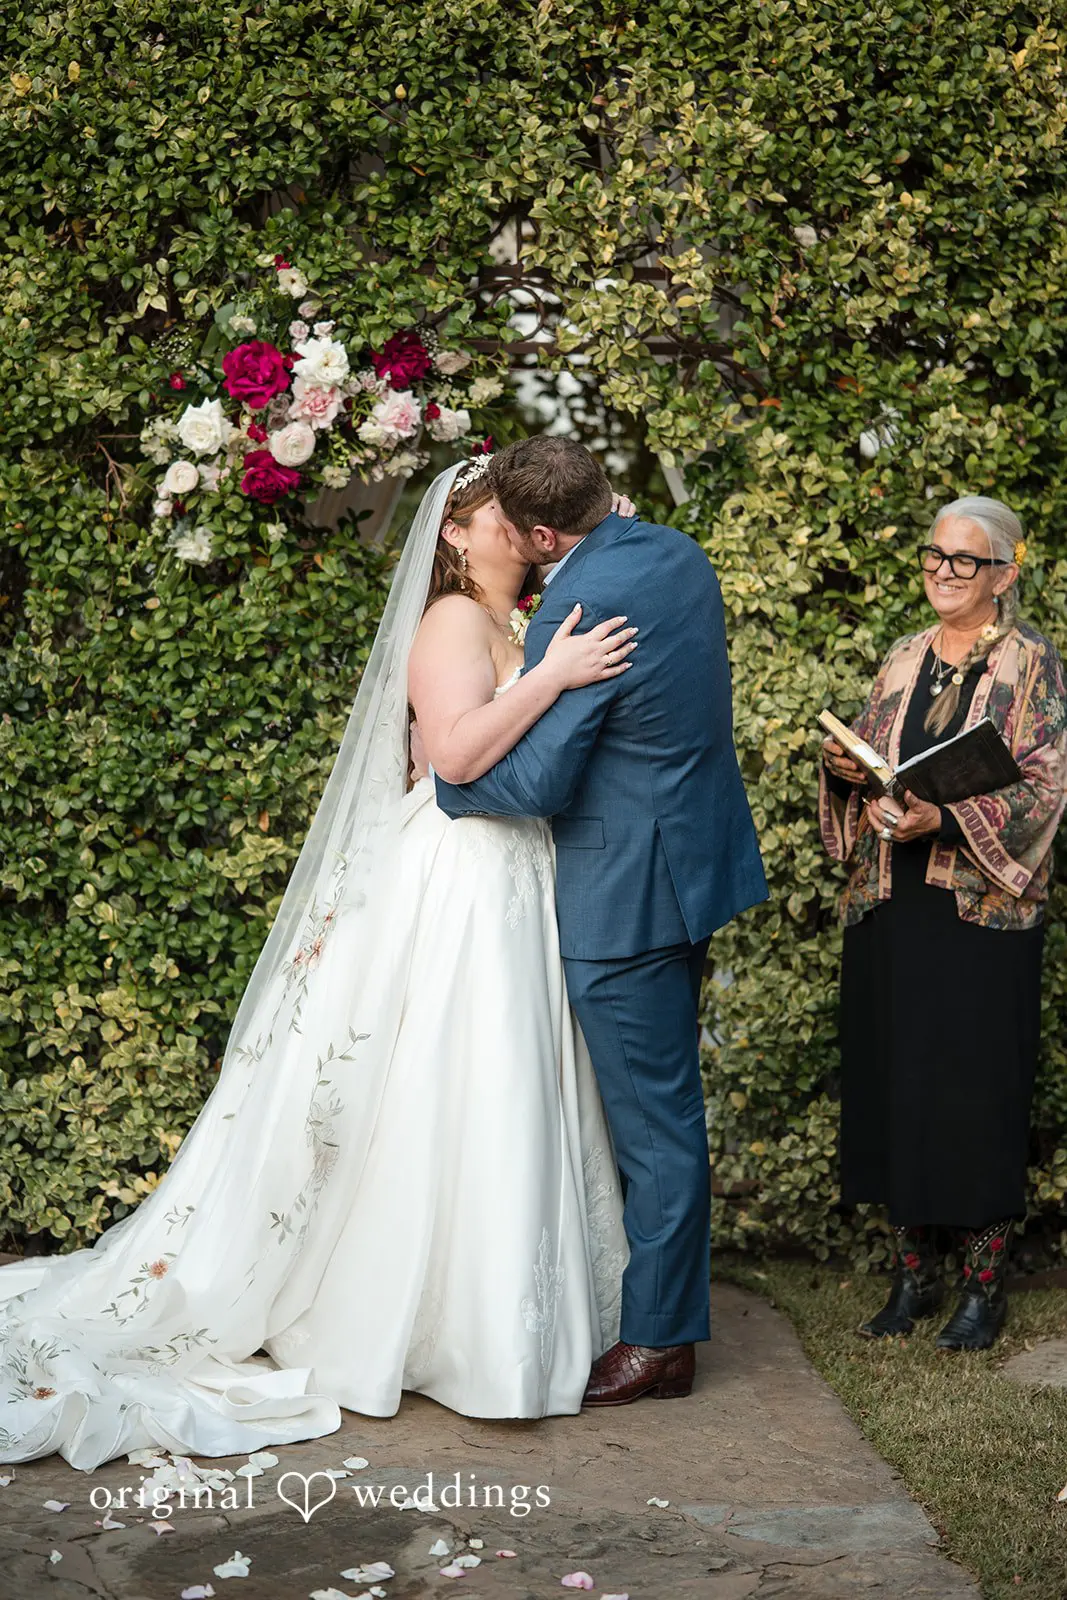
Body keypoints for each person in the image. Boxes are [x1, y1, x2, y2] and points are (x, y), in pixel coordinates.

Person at [0, 456, 638, 1470]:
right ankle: (413, 1323)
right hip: (460, 870)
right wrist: (553, 677)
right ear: (452, 534)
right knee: (452, 1072)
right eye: (493, 513)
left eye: (524, 513)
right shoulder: (451, 620)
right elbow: (456, 756)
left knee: (496, 1079)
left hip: (512, 869)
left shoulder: (517, 616)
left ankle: (491, 1318)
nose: (516, 525)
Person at [434, 436, 768, 1406]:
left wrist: (443, 787)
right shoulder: (673, 552)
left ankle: (660, 1341)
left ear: (543, 535)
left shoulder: (576, 609)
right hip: (691, 864)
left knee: (656, 1124)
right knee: (663, 1106)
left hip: (625, 895)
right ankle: (658, 1313)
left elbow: (541, 781)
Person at [820, 496, 1067, 1350]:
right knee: (895, 1082)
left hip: (978, 914)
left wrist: (947, 819)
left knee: (975, 1090)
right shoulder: (903, 654)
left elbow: (1047, 786)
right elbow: (876, 755)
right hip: (890, 900)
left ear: (1002, 573)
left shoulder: (1031, 660)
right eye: (933, 554)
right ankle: (911, 1278)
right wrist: (846, 767)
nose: (942, 571)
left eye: (964, 559)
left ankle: (982, 1288)